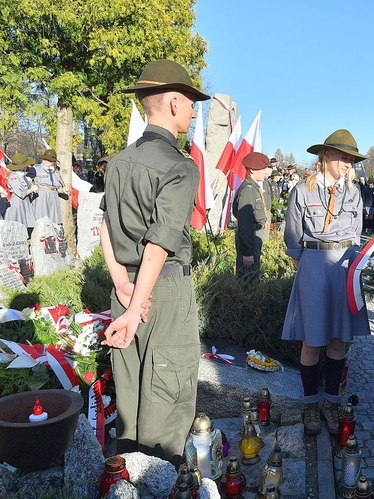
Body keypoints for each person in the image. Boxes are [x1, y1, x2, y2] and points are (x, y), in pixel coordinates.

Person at [99, 59, 210, 466]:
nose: (195, 112)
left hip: (127, 288)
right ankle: (159, 485)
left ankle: (123, 482)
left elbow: (105, 229)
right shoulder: (181, 166)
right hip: (161, 293)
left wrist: (123, 288)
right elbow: (160, 244)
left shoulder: (119, 162)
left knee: (129, 400)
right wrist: (136, 305)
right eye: (192, 104)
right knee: (168, 399)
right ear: (174, 104)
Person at [282, 129, 371, 436]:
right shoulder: (302, 191)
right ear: (326, 156)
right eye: (343, 157)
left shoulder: (354, 193)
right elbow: (293, 234)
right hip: (315, 266)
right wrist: (307, 266)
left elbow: (357, 233)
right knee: (312, 339)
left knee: (338, 340)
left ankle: (331, 403)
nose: (348, 163)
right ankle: (310, 404)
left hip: (344, 267)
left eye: (351, 159)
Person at [232, 151, 273, 279]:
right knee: (248, 279)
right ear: (252, 170)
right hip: (250, 237)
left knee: (253, 275)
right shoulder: (248, 190)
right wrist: (248, 252)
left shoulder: (254, 188)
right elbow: (244, 223)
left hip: (254, 236)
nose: (265, 171)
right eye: (262, 168)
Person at [4, 153, 37, 235]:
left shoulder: (22, 176)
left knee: (26, 225)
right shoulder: (13, 177)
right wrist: (32, 189)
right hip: (17, 203)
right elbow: (21, 193)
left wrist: (31, 184)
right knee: (18, 224)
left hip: (24, 202)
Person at [32, 149, 67, 225]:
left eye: (49, 160)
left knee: (53, 220)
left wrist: (63, 190)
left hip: (53, 196)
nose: (46, 161)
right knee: (41, 218)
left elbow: (58, 187)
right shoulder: (35, 169)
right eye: (45, 159)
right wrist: (35, 187)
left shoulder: (56, 171)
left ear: (53, 161)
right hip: (41, 196)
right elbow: (28, 179)